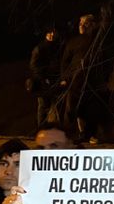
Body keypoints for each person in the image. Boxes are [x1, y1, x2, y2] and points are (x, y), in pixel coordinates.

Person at [61, 14, 104, 144]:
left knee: (91, 109)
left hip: (91, 80)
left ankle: (88, 135)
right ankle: (66, 135)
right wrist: (64, 78)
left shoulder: (97, 41)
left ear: (91, 25)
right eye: (80, 23)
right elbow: (65, 61)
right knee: (71, 109)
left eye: (85, 23)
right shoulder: (73, 42)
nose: (81, 25)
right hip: (75, 80)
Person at [29, 27, 63, 127]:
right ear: (46, 34)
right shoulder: (39, 48)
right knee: (43, 106)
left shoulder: (58, 47)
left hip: (56, 80)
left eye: (53, 32)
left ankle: (58, 130)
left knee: (59, 105)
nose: (52, 34)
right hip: (43, 82)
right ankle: (41, 129)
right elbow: (33, 66)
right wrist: (43, 79)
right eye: (49, 32)